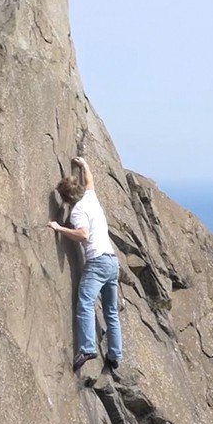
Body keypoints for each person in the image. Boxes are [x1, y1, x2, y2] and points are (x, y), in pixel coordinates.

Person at [50, 156, 122, 372]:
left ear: (66, 199)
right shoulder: (91, 198)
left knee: (85, 303)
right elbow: (89, 182)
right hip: (112, 261)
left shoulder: (79, 210)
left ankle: (87, 347)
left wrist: (59, 228)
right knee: (111, 311)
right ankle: (115, 354)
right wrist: (84, 165)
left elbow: (83, 235)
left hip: (98, 263)